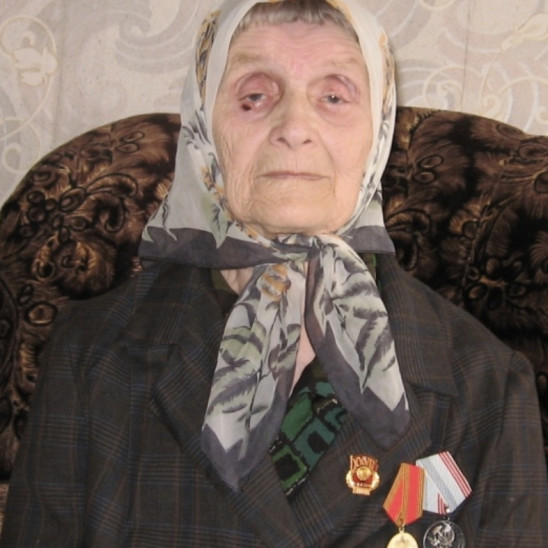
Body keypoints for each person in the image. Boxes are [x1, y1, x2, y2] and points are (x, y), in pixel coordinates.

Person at [1, 0, 547, 546]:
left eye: (334, 97)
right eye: (255, 96)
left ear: (377, 131)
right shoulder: (91, 356)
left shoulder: (487, 387)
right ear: (205, 127)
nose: (294, 127)